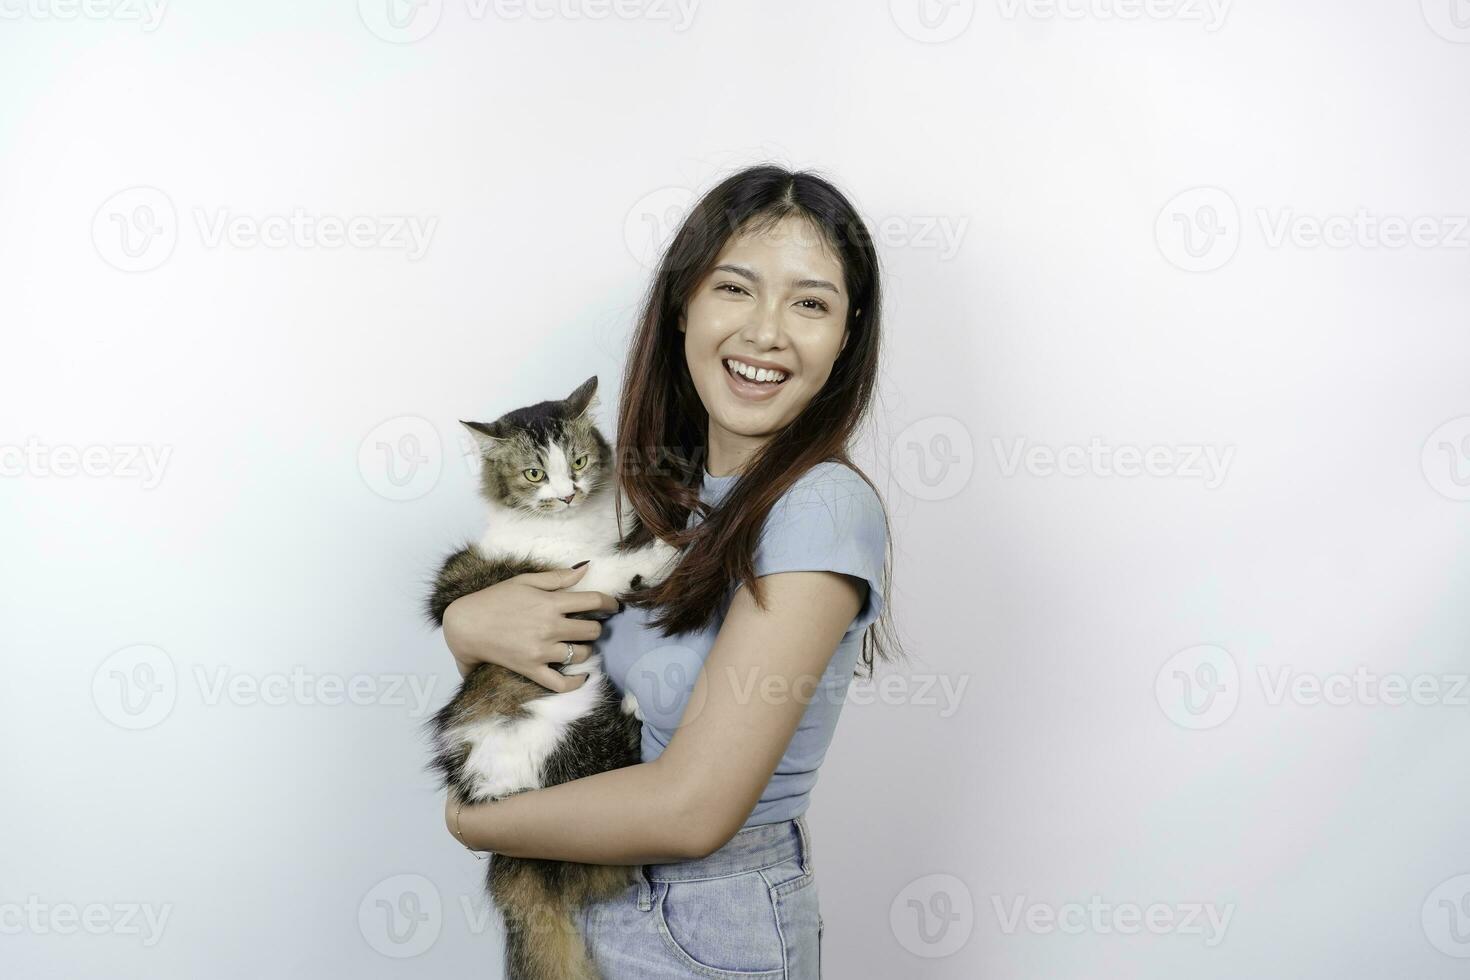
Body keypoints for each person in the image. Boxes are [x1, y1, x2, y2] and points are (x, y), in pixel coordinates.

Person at [440, 163, 900, 978]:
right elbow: (555, 679)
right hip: (589, 901)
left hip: (707, 925)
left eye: (811, 302)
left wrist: (475, 824)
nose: (766, 332)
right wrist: (467, 623)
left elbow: (691, 811)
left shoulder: (819, 509)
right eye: (736, 288)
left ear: (846, 334)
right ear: (684, 303)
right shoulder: (666, 495)